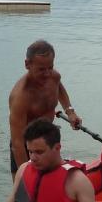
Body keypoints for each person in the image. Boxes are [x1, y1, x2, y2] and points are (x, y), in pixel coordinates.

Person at [8, 39, 82, 176]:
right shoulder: (20, 97)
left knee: (53, 182)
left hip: (49, 139)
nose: (47, 73)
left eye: (50, 67)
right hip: (26, 146)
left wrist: (70, 112)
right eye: (41, 69)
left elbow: (59, 87)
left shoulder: (53, 76)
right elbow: (17, 144)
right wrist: (25, 176)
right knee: (24, 193)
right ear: (27, 64)